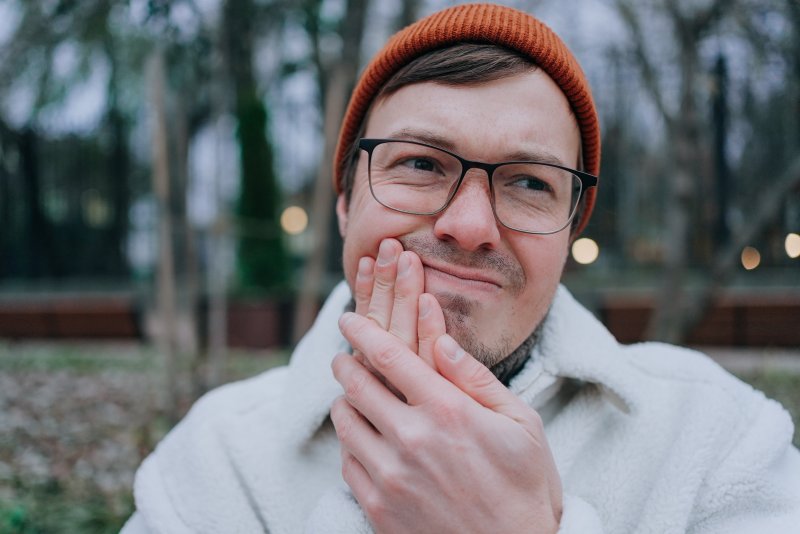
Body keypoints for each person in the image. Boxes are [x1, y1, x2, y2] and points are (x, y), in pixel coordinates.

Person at [122, 3, 800, 533]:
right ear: (344, 202)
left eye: (529, 182)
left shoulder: (716, 438)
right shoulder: (216, 460)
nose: (470, 226)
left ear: (570, 231)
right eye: (420, 163)